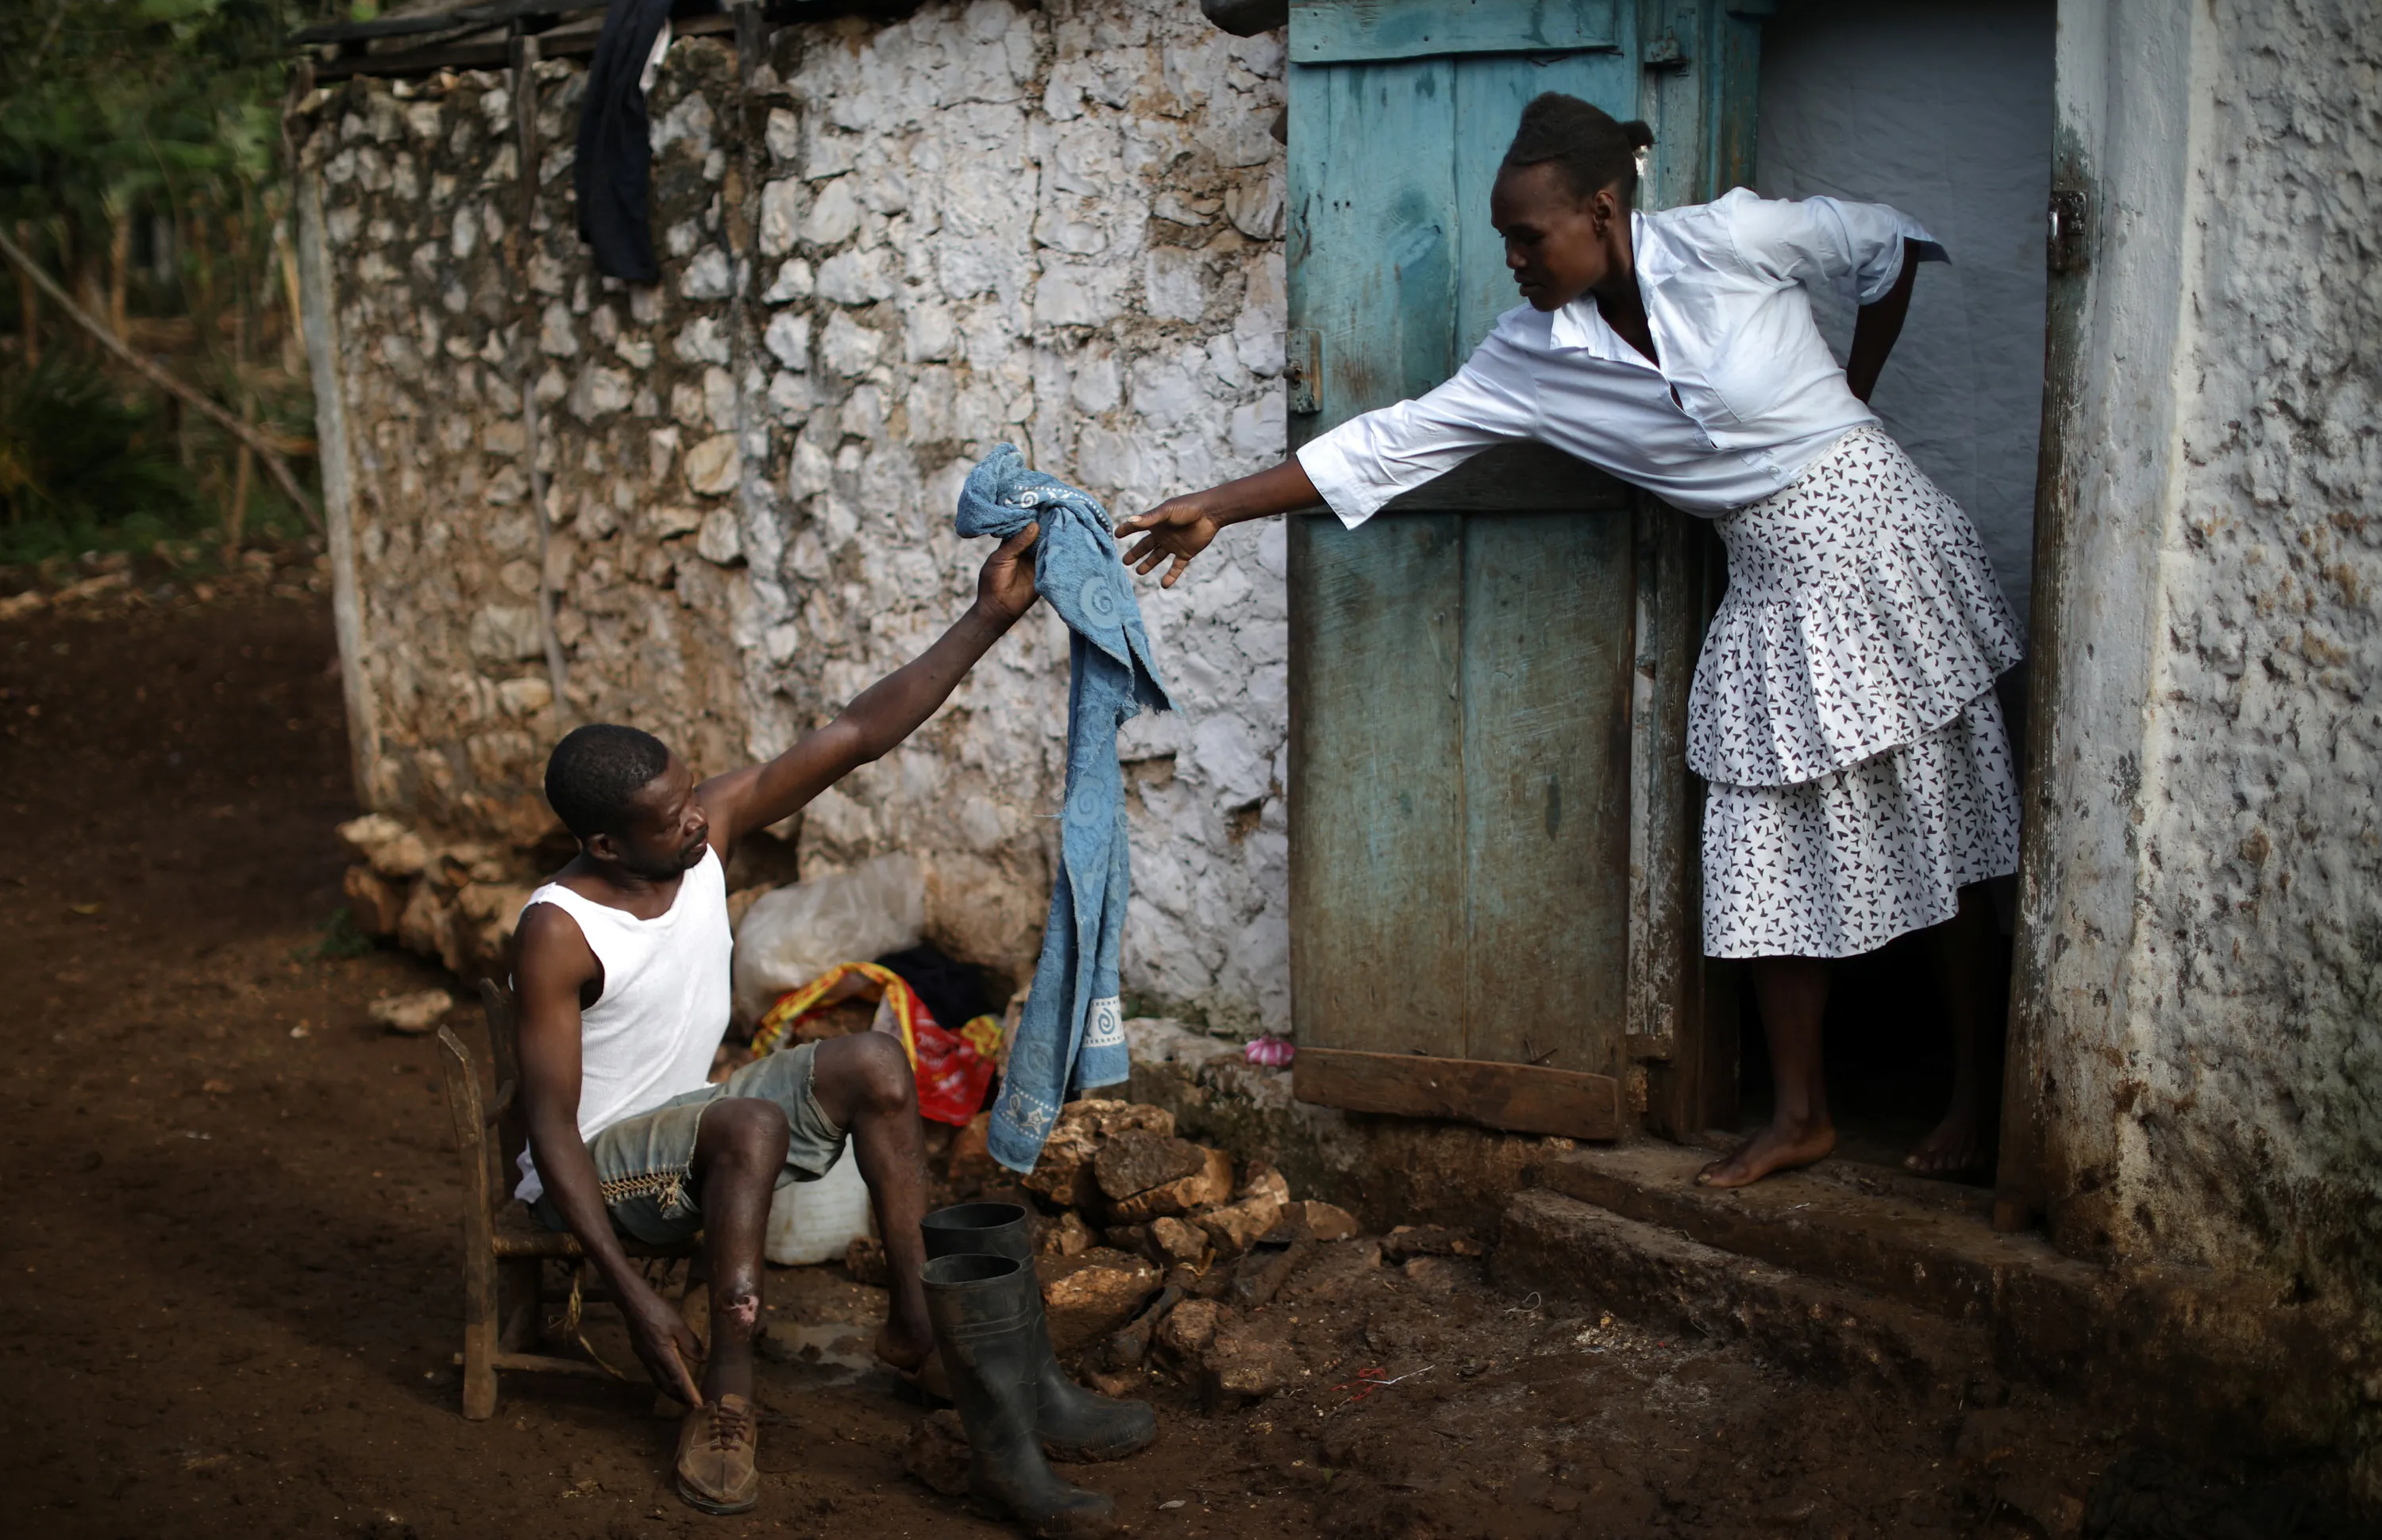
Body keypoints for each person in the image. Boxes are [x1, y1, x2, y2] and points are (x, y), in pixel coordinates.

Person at [1115, 92, 2022, 1191]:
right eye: (1505, 239)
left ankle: (1982, 1093)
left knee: (1947, 828)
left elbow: (1885, 244)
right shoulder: (1531, 357)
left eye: (1527, 235)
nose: (1513, 259)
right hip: (1772, 575)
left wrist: (1853, 394)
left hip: (1883, 544)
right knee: (1759, 845)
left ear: (1600, 210)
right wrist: (1218, 502)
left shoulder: (1730, 240)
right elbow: (1390, 444)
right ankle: (1801, 1113)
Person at [507, 529, 1042, 1515]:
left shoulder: (697, 839)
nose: (697, 823)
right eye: (669, 820)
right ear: (601, 842)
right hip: (594, 1167)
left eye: (689, 799)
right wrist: (633, 1297)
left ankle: (919, 1333)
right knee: (746, 1122)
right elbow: (547, 1132)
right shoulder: (560, 932)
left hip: (692, 1118)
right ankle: (725, 1400)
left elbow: (855, 733)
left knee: (876, 1061)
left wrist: (987, 617)